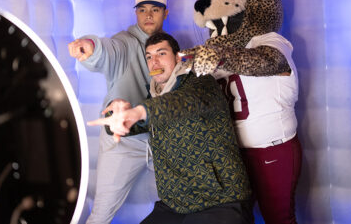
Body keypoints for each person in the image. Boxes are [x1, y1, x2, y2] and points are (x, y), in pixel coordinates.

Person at [89, 32, 252, 224]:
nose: (154, 62)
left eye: (161, 54)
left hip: (219, 200)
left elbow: (180, 104)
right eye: (149, 57)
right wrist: (115, 114)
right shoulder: (155, 97)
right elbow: (127, 125)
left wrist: (140, 112)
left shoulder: (200, 83)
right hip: (176, 204)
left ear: (178, 57)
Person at [68, 0, 169, 224]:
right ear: (135, 13)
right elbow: (107, 50)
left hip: (160, 139)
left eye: (155, 9)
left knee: (183, 201)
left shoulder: (170, 46)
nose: (148, 15)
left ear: (165, 13)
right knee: (101, 214)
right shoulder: (125, 42)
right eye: (142, 9)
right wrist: (90, 47)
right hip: (123, 141)